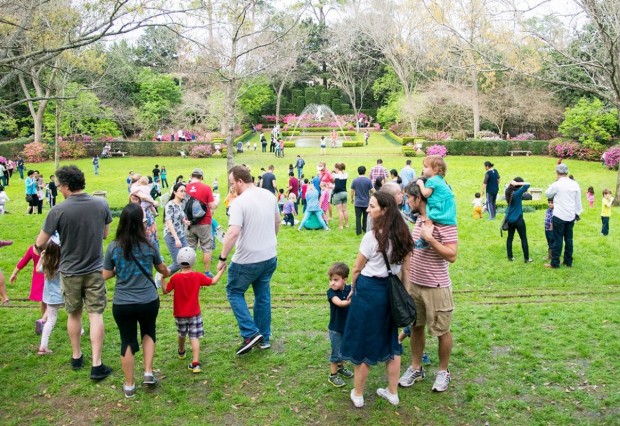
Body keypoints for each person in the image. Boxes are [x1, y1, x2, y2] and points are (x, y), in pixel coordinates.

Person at [34, 165, 113, 380]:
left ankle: (76, 356)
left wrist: (37, 249)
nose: (58, 189)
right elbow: (105, 235)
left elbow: (40, 243)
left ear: (67, 185)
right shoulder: (101, 204)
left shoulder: (57, 210)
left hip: (69, 272)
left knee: (73, 313)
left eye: (59, 185)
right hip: (95, 269)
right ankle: (97, 364)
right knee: (95, 314)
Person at [341, 191, 413, 408]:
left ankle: (359, 393)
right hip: (391, 292)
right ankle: (392, 392)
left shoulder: (372, 237)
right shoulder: (404, 234)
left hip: (369, 292)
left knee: (363, 341)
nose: (367, 209)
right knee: (391, 342)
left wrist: (353, 288)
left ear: (384, 210)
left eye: (372, 206)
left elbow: (356, 268)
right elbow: (406, 272)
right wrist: (403, 296)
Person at [103, 203, 170, 397]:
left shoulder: (114, 247)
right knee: (149, 332)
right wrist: (166, 271)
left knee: (127, 341)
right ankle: (148, 372)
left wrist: (118, 270)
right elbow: (161, 269)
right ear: (141, 222)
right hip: (148, 300)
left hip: (123, 303)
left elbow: (105, 274)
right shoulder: (149, 245)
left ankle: (129, 385)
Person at [400, 181, 458, 393]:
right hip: (415, 285)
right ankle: (416, 367)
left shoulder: (444, 222)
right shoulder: (420, 220)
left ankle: (443, 372)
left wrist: (429, 239)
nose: (407, 201)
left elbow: (452, 255)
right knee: (416, 327)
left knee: (442, 331)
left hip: (437, 287)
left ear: (419, 198)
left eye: (409, 198)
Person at [217, 166, 280, 354]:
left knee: (234, 291)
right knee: (262, 296)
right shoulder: (269, 195)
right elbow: (277, 221)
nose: (231, 187)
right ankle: (264, 337)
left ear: (240, 181)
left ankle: (250, 333)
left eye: (231, 183)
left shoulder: (239, 202)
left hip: (246, 259)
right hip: (269, 256)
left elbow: (233, 232)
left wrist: (222, 257)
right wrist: (270, 239)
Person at [544, 163, 582, 269]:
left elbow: (547, 193)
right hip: (571, 215)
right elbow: (578, 201)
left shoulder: (557, 184)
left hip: (559, 215)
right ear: (567, 172)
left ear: (557, 173)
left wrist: (552, 186)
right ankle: (568, 262)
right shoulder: (575, 184)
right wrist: (577, 213)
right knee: (569, 239)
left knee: (558, 239)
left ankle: (555, 263)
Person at [186, 168, 219, 276]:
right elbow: (212, 206)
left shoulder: (185, 188)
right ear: (201, 177)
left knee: (190, 248)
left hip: (189, 223)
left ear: (191, 176)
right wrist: (217, 201)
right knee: (206, 247)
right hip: (204, 222)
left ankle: (188, 271)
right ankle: (207, 272)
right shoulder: (206, 188)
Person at [416, 156, 457, 240]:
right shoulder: (440, 179)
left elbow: (426, 194)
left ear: (435, 170)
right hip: (447, 204)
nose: (423, 169)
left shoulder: (432, 180)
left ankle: (424, 239)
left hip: (439, 205)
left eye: (425, 166)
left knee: (429, 219)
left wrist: (420, 183)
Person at [326, 262, 353, 388]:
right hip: (335, 329)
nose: (332, 283)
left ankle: (341, 367)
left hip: (346, 328)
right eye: (331, 280)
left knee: (343, 350)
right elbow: (341, 303)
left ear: (345, 280)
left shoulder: (349, 289)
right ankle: (333, 375)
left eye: (336, 280)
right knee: (336, 353)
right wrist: (352, 300)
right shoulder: (331, 293)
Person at [36, 234, 63, 355]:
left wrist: (41, 258)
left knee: (51, 320)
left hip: (50, 297)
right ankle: (80, 330)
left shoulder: (46, 265)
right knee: (74, 314)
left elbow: (37, 269)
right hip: (64, 295)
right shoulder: (63, 264)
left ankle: (43, 346)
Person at [10, 245, 46, 332]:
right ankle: (45, 321)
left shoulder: (32, 249)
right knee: (51, 301)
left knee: (43, 300)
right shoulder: (52, 249)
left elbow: (23, 261)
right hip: (49, 277)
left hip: (38, 277)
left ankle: (43, 320)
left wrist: (14, 273)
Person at [161, 183, 190, 281]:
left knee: (187, 258)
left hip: (181, 235)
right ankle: (161, 276)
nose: (183, 193)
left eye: (185, 191)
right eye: (181, 191)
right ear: (174, 192)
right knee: (178, 263)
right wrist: (177, 239)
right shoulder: (170, 205)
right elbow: (169, 222)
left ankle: (184, 280)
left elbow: (180, 217)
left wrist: (185, 221)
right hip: (171, 236)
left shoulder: (181, 204)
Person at [504, 178, 533, 263]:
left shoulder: (507, 191)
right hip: (518, 219)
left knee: (510, 238)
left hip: (509, 219)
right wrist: (518, 183)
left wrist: (512, 182)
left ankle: (510, 257)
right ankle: (527, 259)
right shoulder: (517, 193)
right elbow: (528, 184)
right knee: (523, 238)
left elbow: (507, 186)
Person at [350, 166, 373, 236]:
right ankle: (365, 229)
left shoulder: (355, 180)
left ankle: (358, 231)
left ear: (358, 171)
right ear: (365, 171)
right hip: (366, 202)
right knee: (366, 217)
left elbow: (352, 191)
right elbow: (372, 190)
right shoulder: (368, 180)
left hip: (357, 202)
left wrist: (352, 199)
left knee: (358, 217)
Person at [332, 163, 348, 229]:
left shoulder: (337, 176)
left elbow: (337, 186)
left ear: (337, 168)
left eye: (335, 168)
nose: (334, 169)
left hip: (338, 193)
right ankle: (347, 224)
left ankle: (341, 226)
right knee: (344, 210)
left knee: (340, 211)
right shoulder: (346, 174)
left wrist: (333, 191)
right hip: (345, 192)